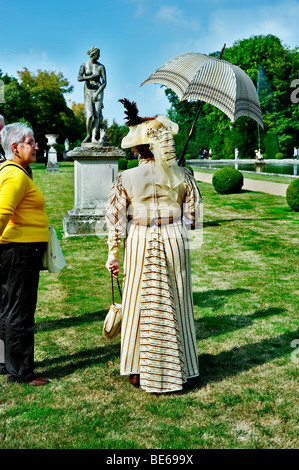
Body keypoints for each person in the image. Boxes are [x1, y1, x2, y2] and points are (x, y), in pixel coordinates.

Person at [105, 99, 202, 394]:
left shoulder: (125, 178)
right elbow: (194, 217)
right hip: (174, 238)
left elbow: (115, 221)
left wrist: (113, 255)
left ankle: (137, 369)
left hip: (139, 239)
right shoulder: (183, 175)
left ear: (139, 147)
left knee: (138, 302)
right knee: (176, 298)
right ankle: (182, 367)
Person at [0, 123, 49, 385]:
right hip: (20, 252)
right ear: (15, 147)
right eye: (31, 142)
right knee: (20, 311)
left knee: (8, 308)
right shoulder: (16, 175)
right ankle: (20, 372)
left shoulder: (14, 171)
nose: (36, 146)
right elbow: (2, 213)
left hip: (17, 250)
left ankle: (5, 363)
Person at [78, 46, 107, 143]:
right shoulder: (84, 65)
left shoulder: (101, 67)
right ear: (93, 54)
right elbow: (79, 78)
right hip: (88, 91)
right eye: (98, 54)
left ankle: (94, 137)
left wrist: (97, 93)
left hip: (98, 91)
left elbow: (104, 82)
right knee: (90, 115)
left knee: (96, 115)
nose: (99, 56)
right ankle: (88, 134)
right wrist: (91, 76)